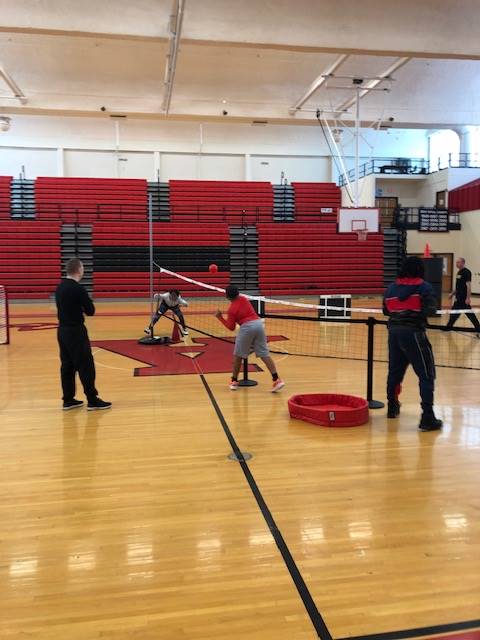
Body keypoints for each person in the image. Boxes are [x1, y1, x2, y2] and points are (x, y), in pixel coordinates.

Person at [383, 256, 441, 431]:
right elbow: (431, 310)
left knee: (394, 372)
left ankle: (392, 407)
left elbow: (386, 310)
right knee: (426, 374)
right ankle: (427, 417)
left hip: (394, 333)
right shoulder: (424, 287)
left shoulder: (391, 288)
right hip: (414, 334)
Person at [55, 258, 111, 411]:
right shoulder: (78, 289)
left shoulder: (59, 287)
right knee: (86, 365)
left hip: (62, 331)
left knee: (67, 366)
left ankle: (68, 399)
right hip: (76, 331)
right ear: (79, 270)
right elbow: (90, 311)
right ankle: (92, 400)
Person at [215, 285, 285, 392]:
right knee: (264, 354)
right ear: (238, 293)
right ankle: (277, 379)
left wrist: (220, 318)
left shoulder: (232, 309)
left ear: (227, 297)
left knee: (238, 355)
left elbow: (231, 327)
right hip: (259, 324)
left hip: (247, 327)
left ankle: (234, 381)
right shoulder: (244, 299)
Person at [445, 257, 480, 336]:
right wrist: (452, 293)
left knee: (469, 314)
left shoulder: (467, 272)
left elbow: (468, 286)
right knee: (454, 313)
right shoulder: (459, 272)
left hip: (463, 298)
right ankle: (448, 327)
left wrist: (468, 298)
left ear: (463, 263)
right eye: (456, 262)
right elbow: (458, 286)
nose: (456, 264)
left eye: (458, 262)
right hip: (458, 297)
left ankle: (478, 329)